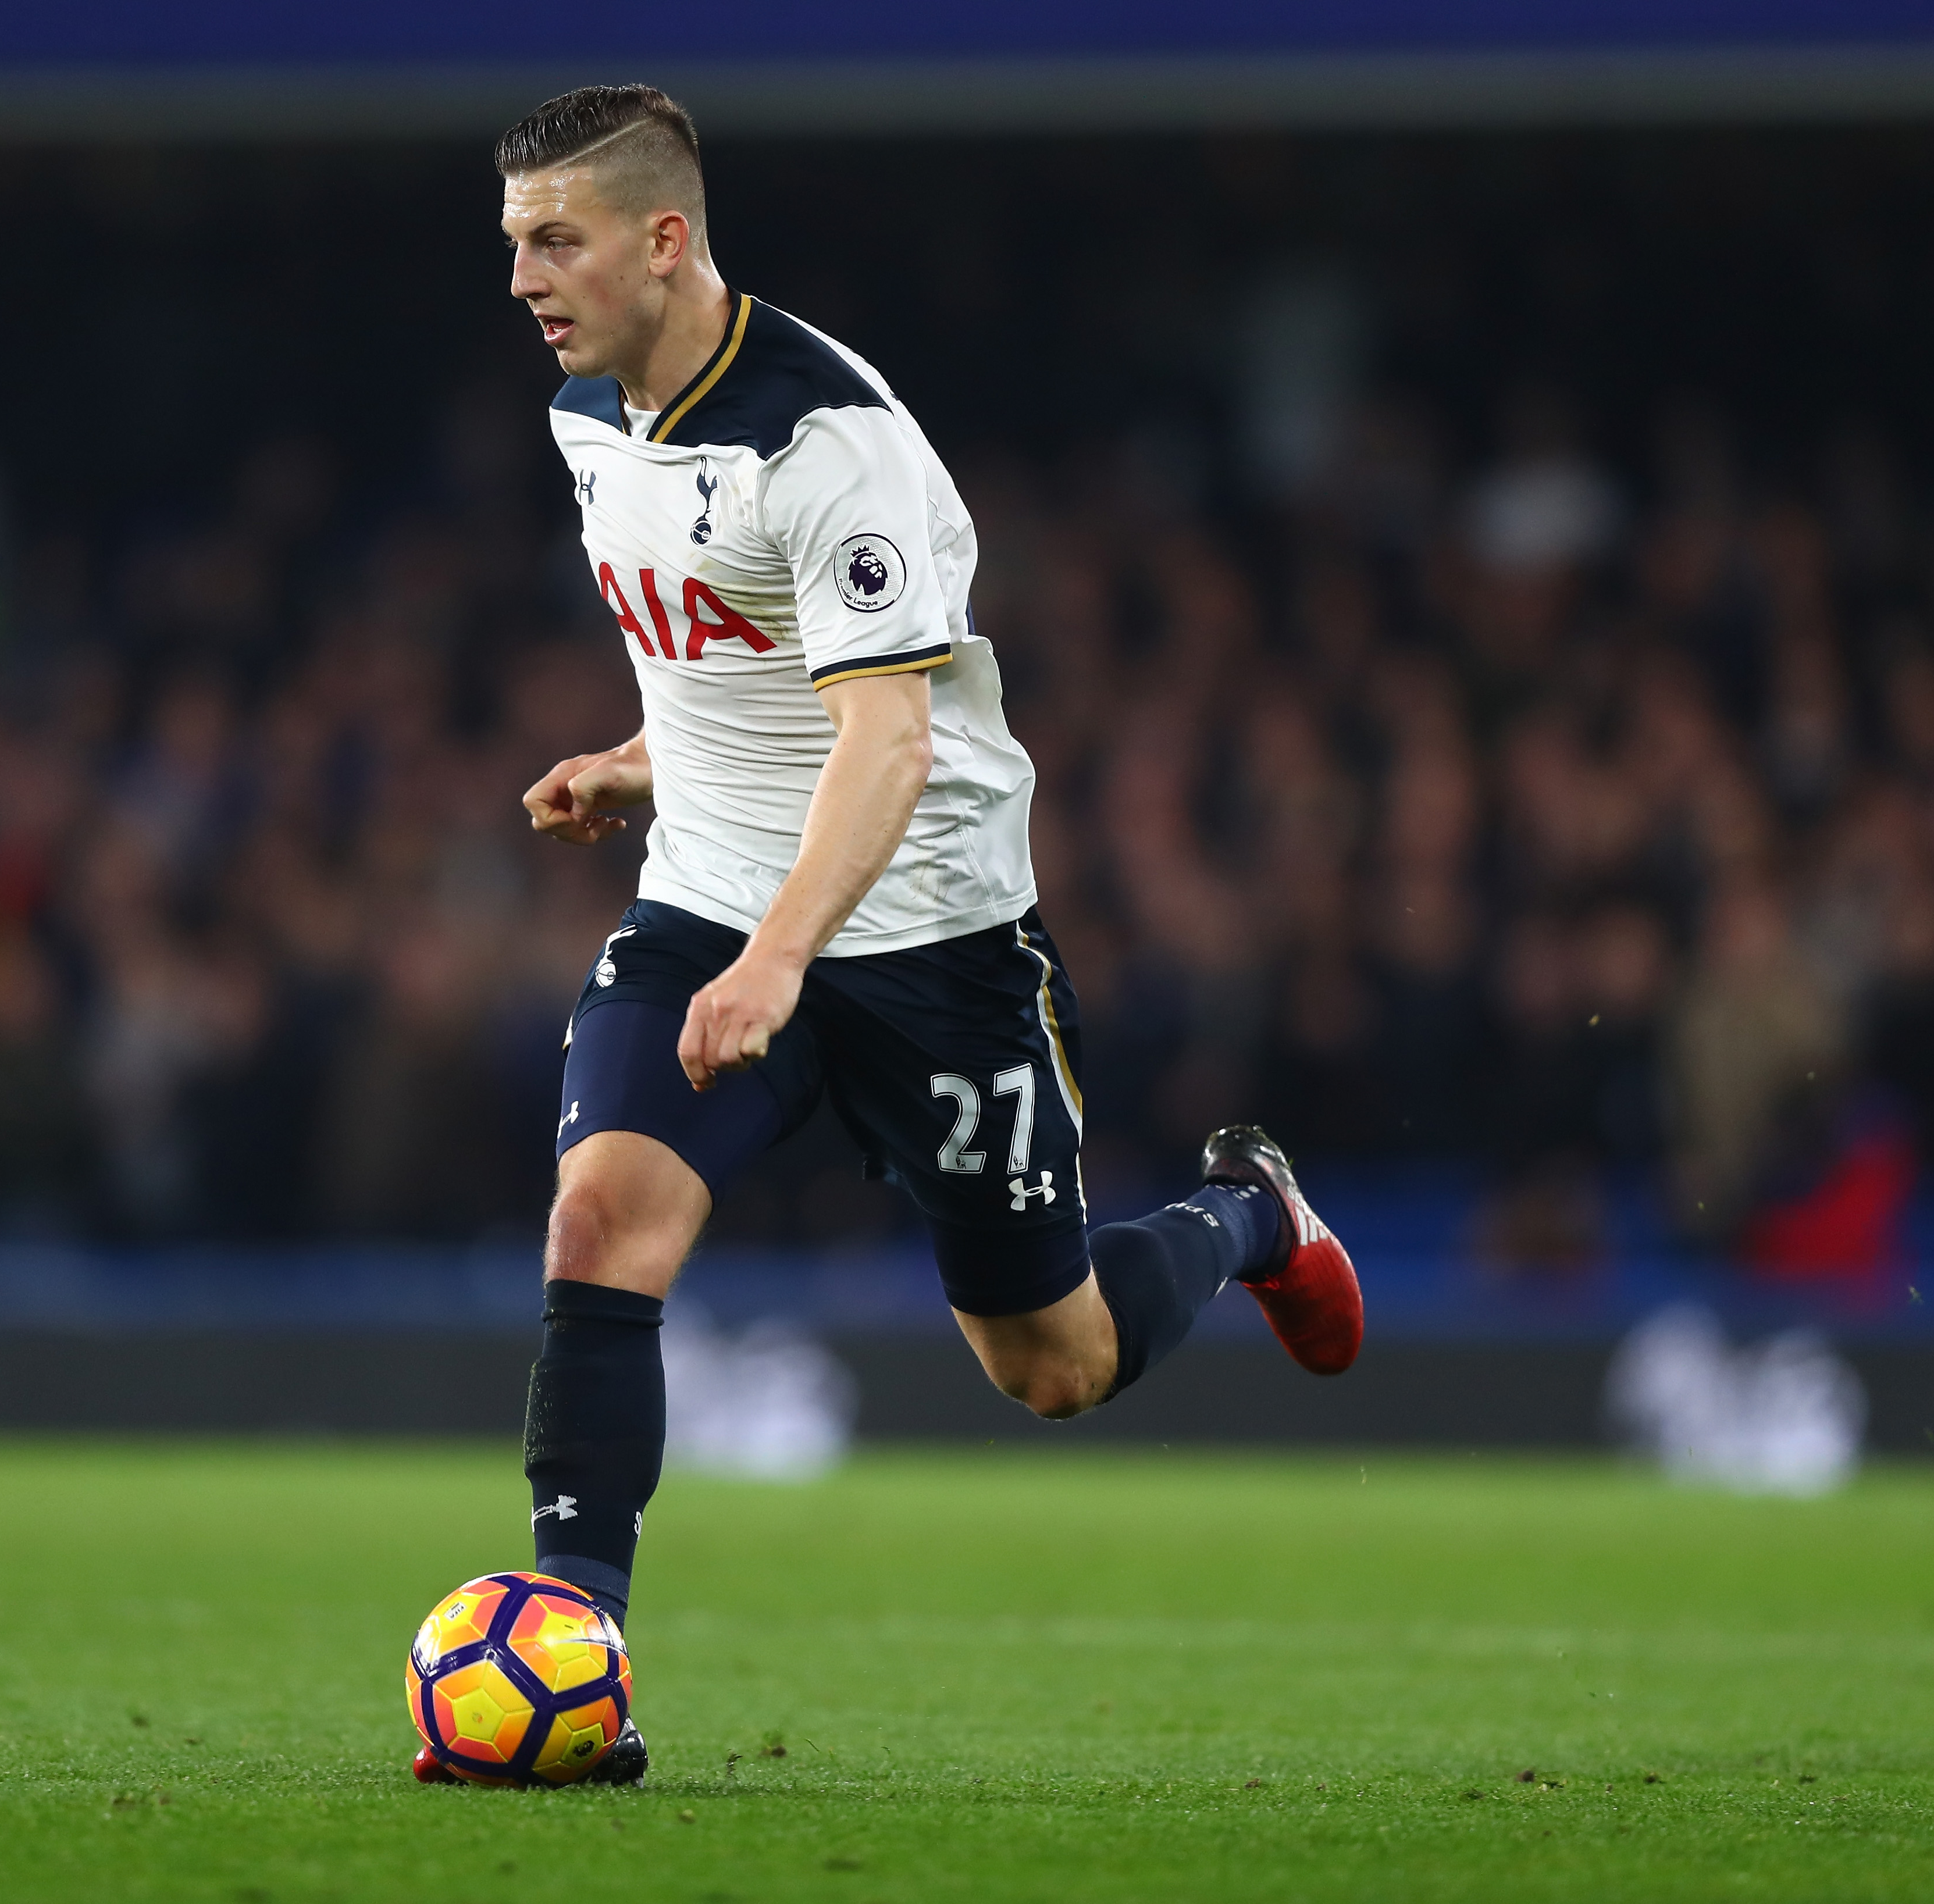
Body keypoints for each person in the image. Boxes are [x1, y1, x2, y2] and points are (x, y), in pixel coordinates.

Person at [441, 85, 1365, 1790]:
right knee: (600, 1217)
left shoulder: (831, 443)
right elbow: (739, 667)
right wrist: (639, 765)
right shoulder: (589, 411)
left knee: (1054, 1361)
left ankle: (1250, 1214)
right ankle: (579, 1643)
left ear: (665, 240)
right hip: (715, 893)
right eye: (512, 243)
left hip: (925, 933)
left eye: (553, 240)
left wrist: (783, 959)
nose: (522, 279)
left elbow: (889, 738)